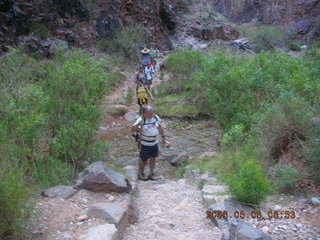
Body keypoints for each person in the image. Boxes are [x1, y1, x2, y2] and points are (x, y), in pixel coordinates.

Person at [131, 105, 166, 181]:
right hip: (144, 143)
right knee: (143, 159)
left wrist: (163, 137)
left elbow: (160, 127)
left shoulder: (156, 118)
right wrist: (139, 125)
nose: (151, 115)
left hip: (154, 142)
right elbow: (132, 129)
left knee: (153, 157)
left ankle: (151, 173)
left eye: (152, 113)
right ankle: (141, 173)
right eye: (149, 113)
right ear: (144, 113)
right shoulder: (140, 119)